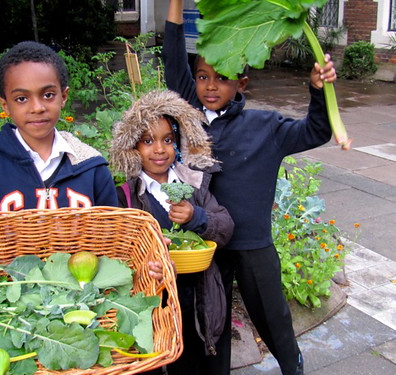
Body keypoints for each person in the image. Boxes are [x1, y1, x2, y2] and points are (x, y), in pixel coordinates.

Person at [162, 1, 338, 374]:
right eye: (203, 76)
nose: (210, 86)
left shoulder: (266, 126)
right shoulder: (188, 118)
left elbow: (316, 131)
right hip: (208, 242)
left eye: (222, 78)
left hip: (254, 245)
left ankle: (293, 366)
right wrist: (175, 5)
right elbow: (173, 57)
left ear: (241, 83)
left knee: (274, 318)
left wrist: (317, 90)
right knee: (213, 322)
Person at [109, 89, 234, 375]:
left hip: (194, 302)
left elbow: (225, 228)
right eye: (147, 141)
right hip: (154, 304)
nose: (159, 149)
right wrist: (144, 263)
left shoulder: (193, 184)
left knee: (190, 365)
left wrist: (196, 218)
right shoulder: (126, 196)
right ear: (132, 148)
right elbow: (118, 251)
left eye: (167, 140)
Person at [0, 40, 118, 216]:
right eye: (21, 98)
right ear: (5, 105)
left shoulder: (92, 168)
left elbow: (112, 236)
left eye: (48, 95)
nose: (37, 108)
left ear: (63, 96)